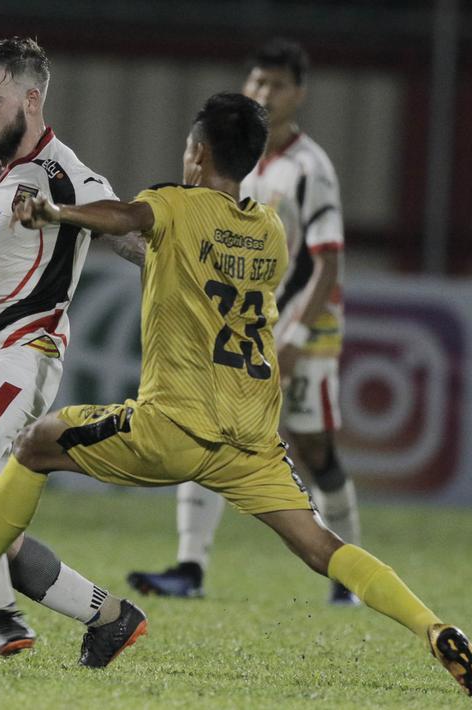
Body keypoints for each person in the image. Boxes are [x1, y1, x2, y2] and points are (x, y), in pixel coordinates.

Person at [0, 93, 472, 696]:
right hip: (253, 437)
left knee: (35, 443)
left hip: (175, 426)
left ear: (199, 151)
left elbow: (125, 218)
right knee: (321, 546)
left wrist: (57, 215)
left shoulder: (174, 205)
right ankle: (433, 626)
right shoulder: (269, 229)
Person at [0, 36, 144, 660]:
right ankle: (112, 616)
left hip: (24, 350)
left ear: (31, 99)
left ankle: (4, 619)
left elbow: (133, 239)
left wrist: (64, 216)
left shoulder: (67, 175)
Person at [127, 39, 361, 606]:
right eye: (257, 83)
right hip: (239, 323)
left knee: (314, 450)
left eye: (276, 84)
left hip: (301, 326)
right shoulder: (238, 161)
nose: (264, 93)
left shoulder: (312, 168)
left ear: (298, 93)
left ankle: (348, 578)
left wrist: (297, 338)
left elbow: (329, 261)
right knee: (201, 422)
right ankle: (190, 566)